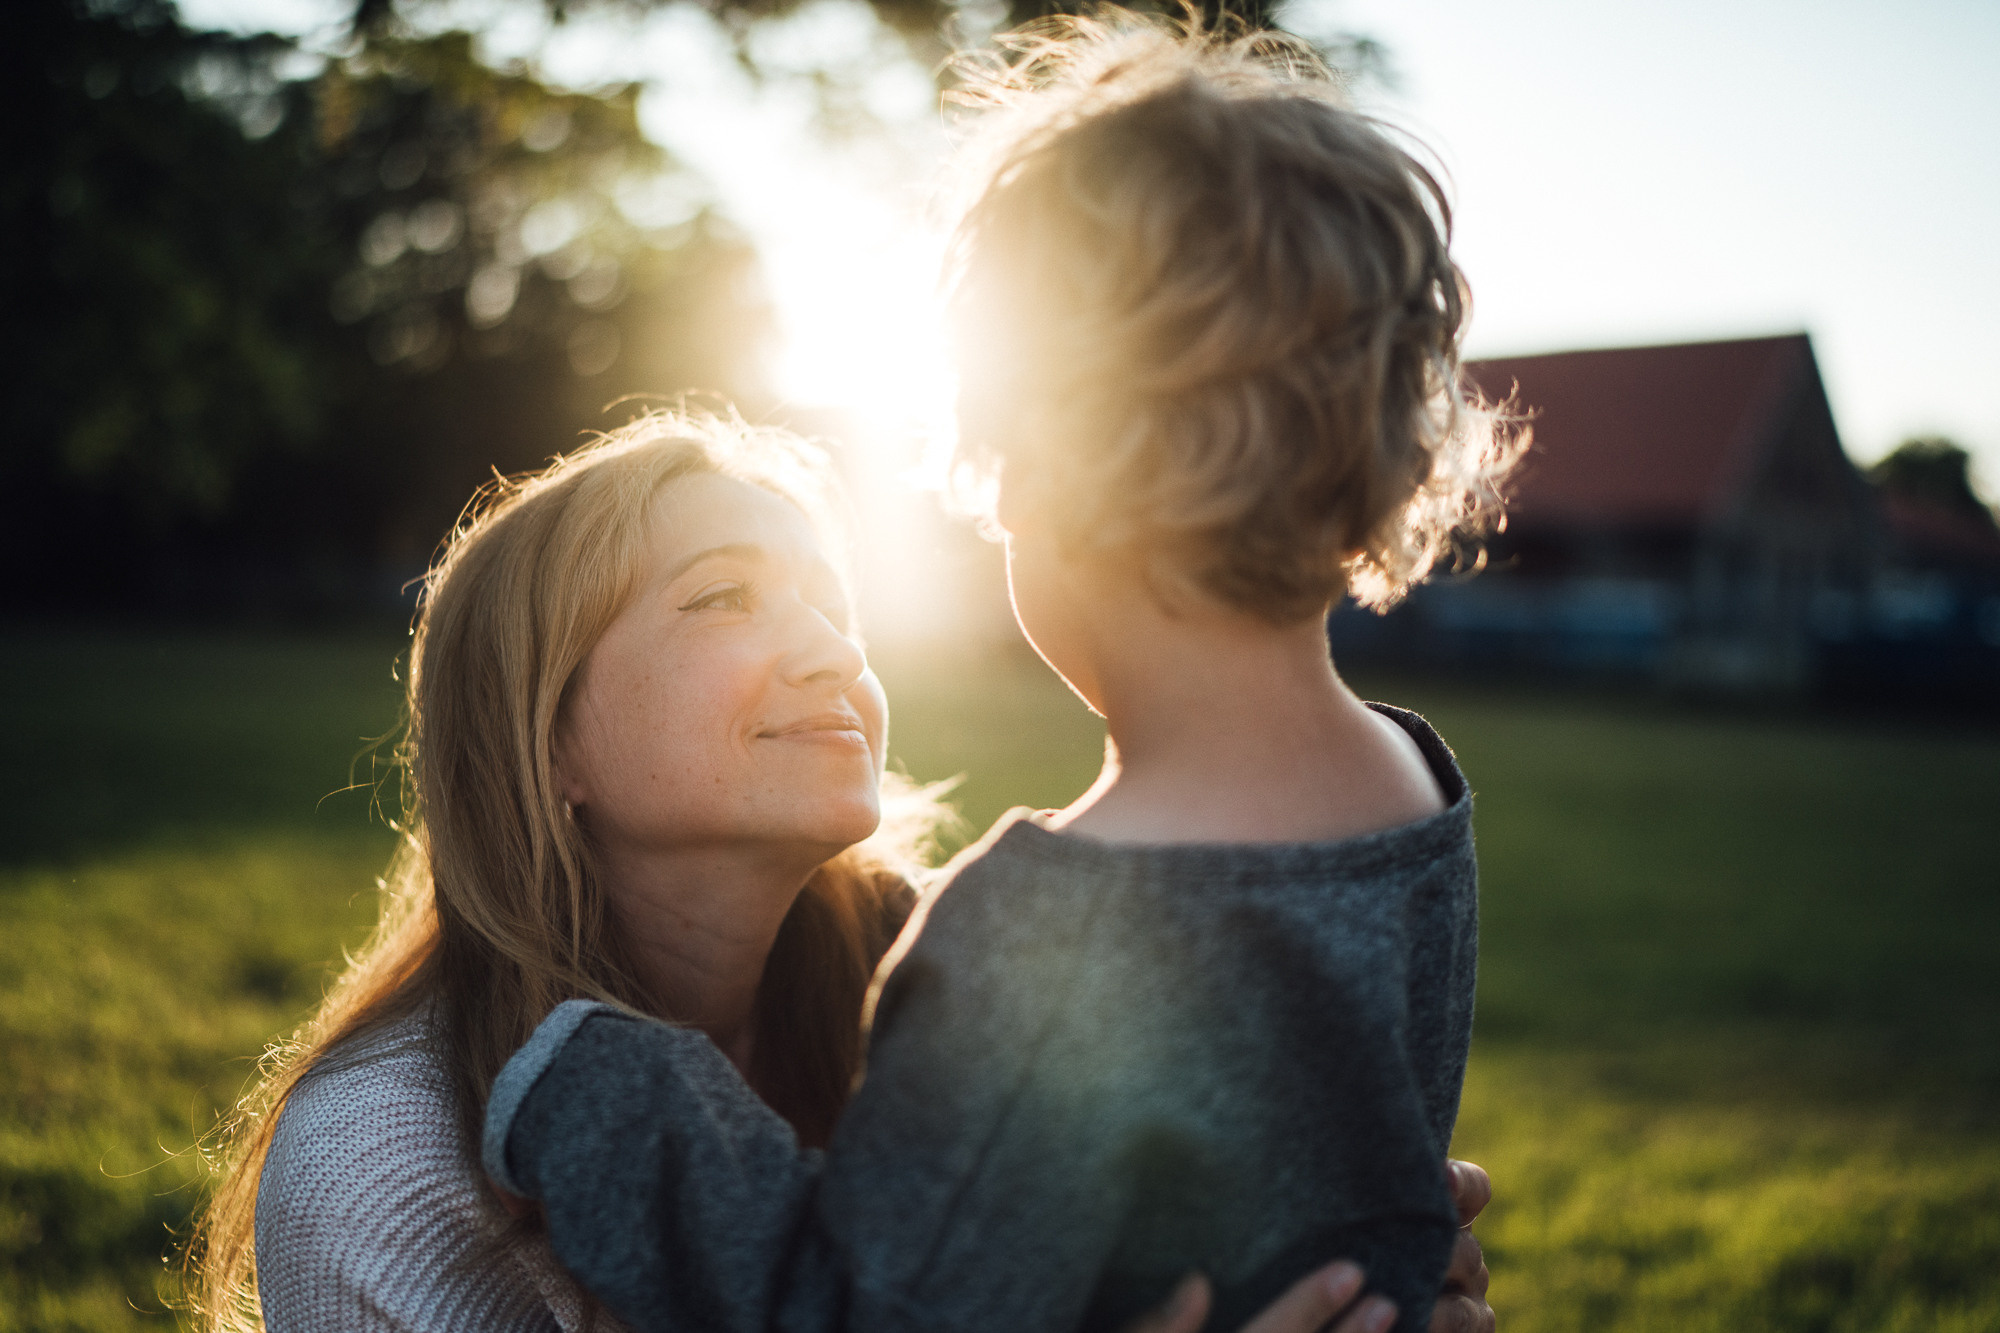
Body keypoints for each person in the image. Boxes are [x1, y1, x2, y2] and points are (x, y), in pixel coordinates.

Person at [482, 13, 1520, 1333]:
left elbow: (850, 1310)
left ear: (1033, 471)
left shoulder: (1040, 940)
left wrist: (607, 1094)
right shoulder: (1419, 792)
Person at [185, 413, 1493, 1333]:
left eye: (834, 606)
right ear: (547, 737)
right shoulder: (379, 1161)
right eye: (723, 598)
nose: (831, 653)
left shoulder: (996, 1013)